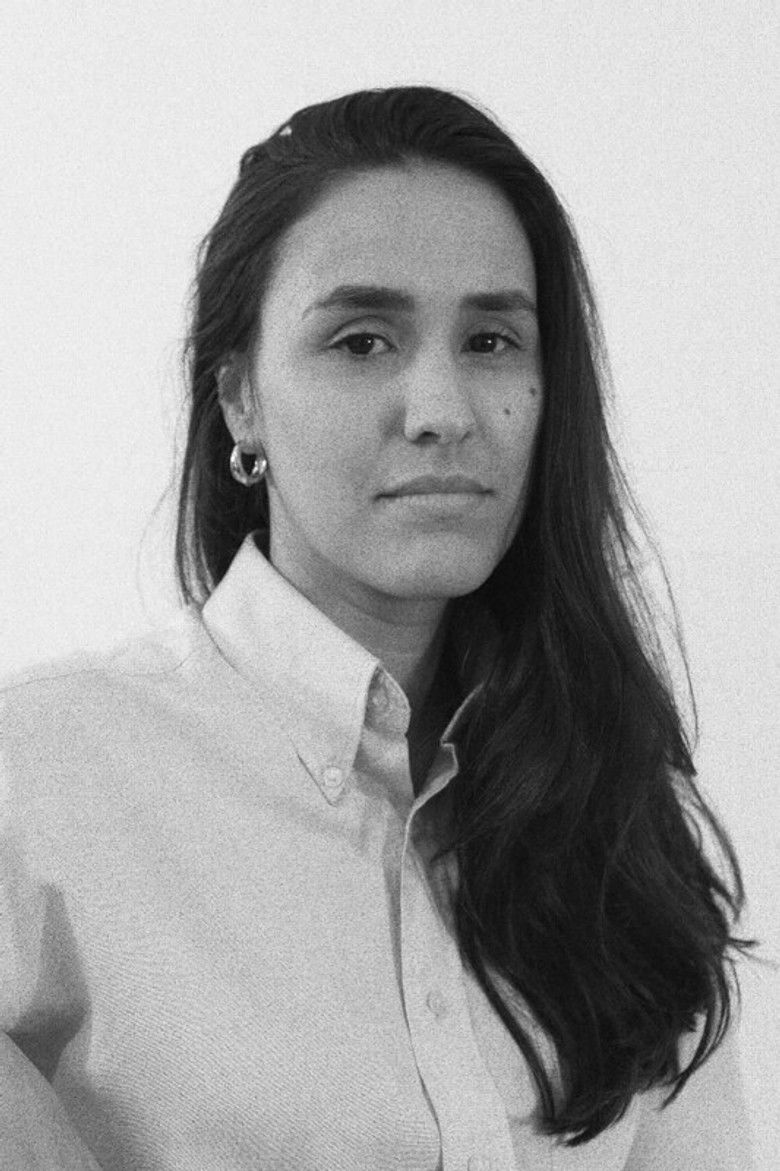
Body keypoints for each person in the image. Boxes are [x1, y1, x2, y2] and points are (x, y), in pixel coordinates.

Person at [0, 85, 756, 1170]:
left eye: (492, 340)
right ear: (240, 399)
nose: (442, 410)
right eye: (361, 342)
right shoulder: (40, 773)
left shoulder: (626, 815)